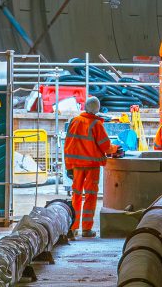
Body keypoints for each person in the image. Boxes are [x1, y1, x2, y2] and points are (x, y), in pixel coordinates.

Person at [64, 96, 119, 237]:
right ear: (97, 109)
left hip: (76, 166)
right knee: (90, 196)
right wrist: (115, 149)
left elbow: (68, 145)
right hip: (91, 166)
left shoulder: (74, 121)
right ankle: (86, 229)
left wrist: (68, 166)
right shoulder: (96, 125)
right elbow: (106, 147)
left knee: (76, 195)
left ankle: (73, 227)